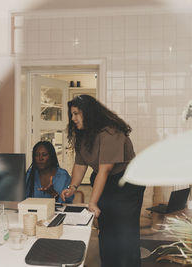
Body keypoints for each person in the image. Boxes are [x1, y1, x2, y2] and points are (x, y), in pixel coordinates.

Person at [60, 95, 145, 267]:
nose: (73, 119)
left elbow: (105, 170)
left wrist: (92, 201)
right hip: (106, 181)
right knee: (106, 231)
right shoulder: (84, 134)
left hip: (128, 184)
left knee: (124, 234)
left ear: (89, 113)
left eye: (76, 114)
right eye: (71, 115)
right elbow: (80, 164)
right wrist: (72, 187)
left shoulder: (111, 132)